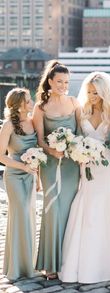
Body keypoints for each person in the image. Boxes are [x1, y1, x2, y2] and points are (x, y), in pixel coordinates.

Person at [58, 72, 110, 283]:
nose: (92, 96)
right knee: (86, 200)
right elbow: (77, 138)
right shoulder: (82, 112)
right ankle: (81, 262)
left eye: (96, 92)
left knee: (106, 200)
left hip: (107, 164)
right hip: (86, 162)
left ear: (104, 93)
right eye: (90, 92)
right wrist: (80, 152)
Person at [32, 60, 80, 278]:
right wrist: (51, 151)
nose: (63, 85)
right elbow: (39, 140)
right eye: (59, 81)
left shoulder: (74, 102)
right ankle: (50, 263)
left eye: (66, 82)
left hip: (71, 165)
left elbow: (81, 134)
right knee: (52, 211)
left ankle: (69, 261)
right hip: (51, 165)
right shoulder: (40, 108)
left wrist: (77, 151)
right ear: (49, 82)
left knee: (70, 211)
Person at [0, 88, 37, 280]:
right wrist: (23, 166)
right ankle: (15, 266)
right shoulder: (8, 125)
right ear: (19, 105)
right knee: (20, 212)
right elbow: (1, 156)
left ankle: (28, 264)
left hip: (31, 175)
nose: (32, 102)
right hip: (14, 174)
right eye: (28, 100)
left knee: (30, 214)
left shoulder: (33, 122)